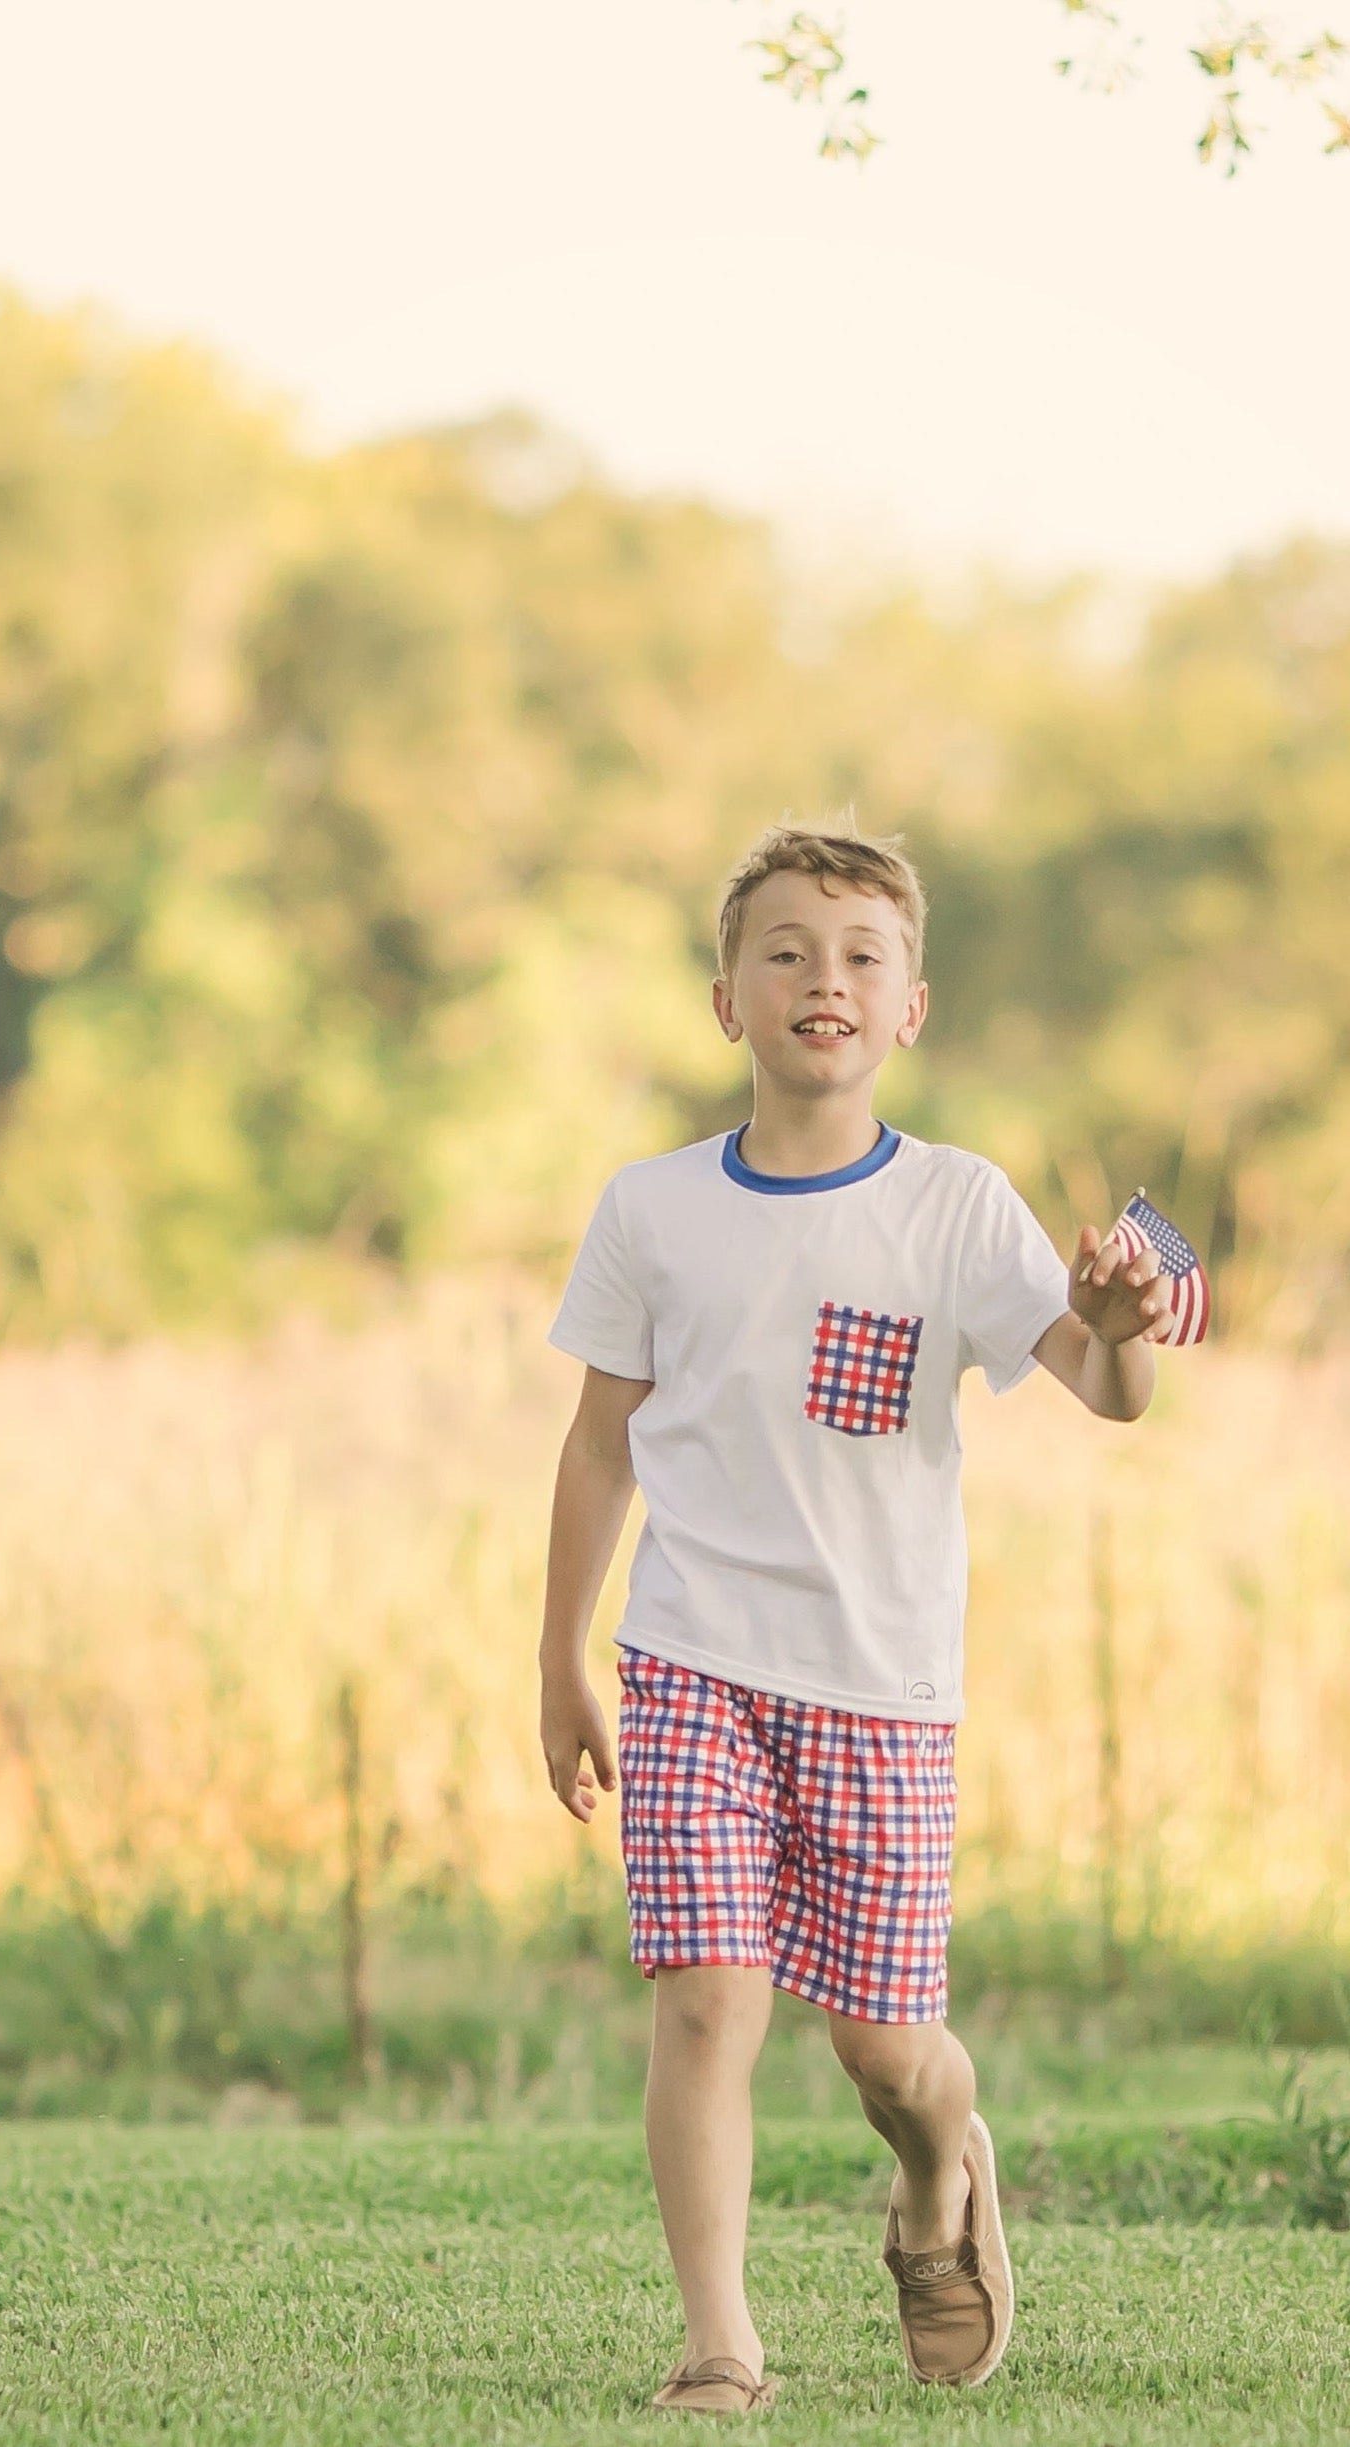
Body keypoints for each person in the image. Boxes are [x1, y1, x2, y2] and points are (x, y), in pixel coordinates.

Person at [539, 827, 1168, 2417]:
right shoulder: (653, 1208)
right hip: (689, 1658)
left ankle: (941, 2180)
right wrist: (561, 1655)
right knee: (708, 1996)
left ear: (912, 1009)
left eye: (861, 956)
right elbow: (602, 1440)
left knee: (888, 2054)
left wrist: (1120, 1327)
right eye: (788, 950)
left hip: (882, 1681)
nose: (825, 977)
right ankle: (719, 2345)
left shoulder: (957, 1207)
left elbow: (1106, 1387)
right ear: (725, 998)